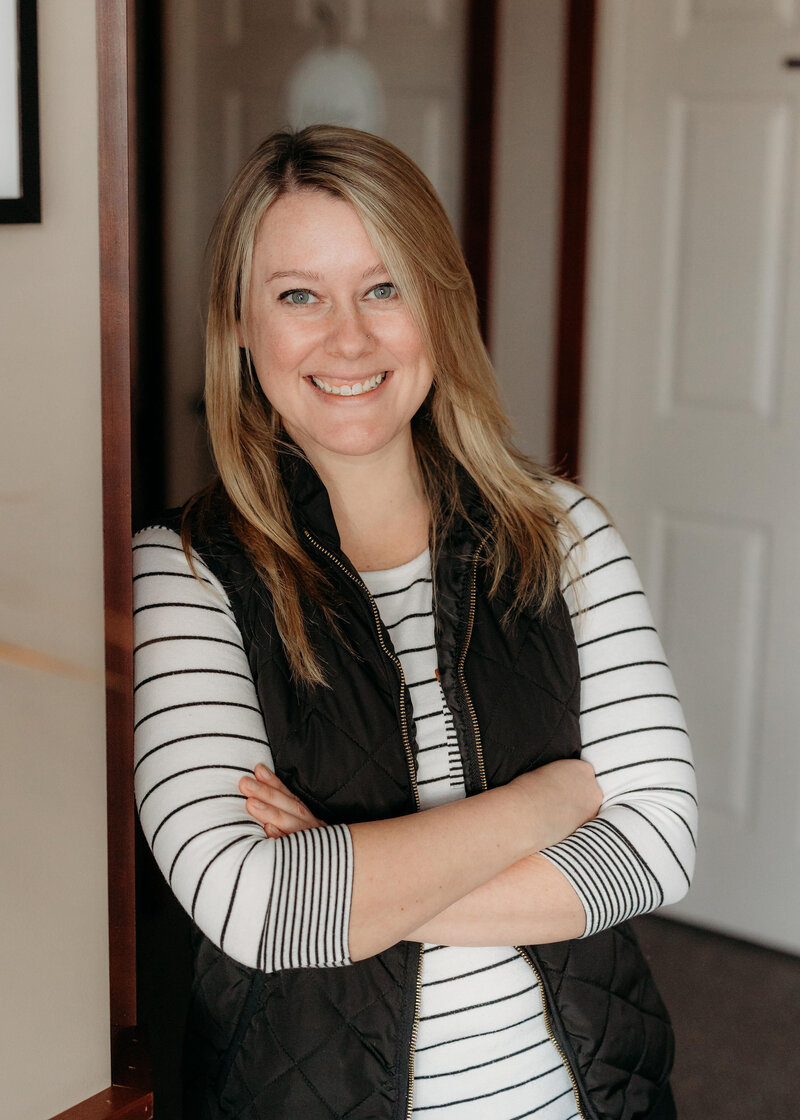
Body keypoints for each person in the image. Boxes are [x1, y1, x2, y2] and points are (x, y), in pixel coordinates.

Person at [133, 125, 697, 1120]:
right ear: (237, 320)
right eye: (297, 294)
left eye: (383, 287)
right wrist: (554, 798)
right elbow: (255, 907)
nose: (347, 337)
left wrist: (349, 882)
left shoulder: (562, 532)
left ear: (437, 304)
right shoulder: (184, 571)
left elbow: (655, 846)